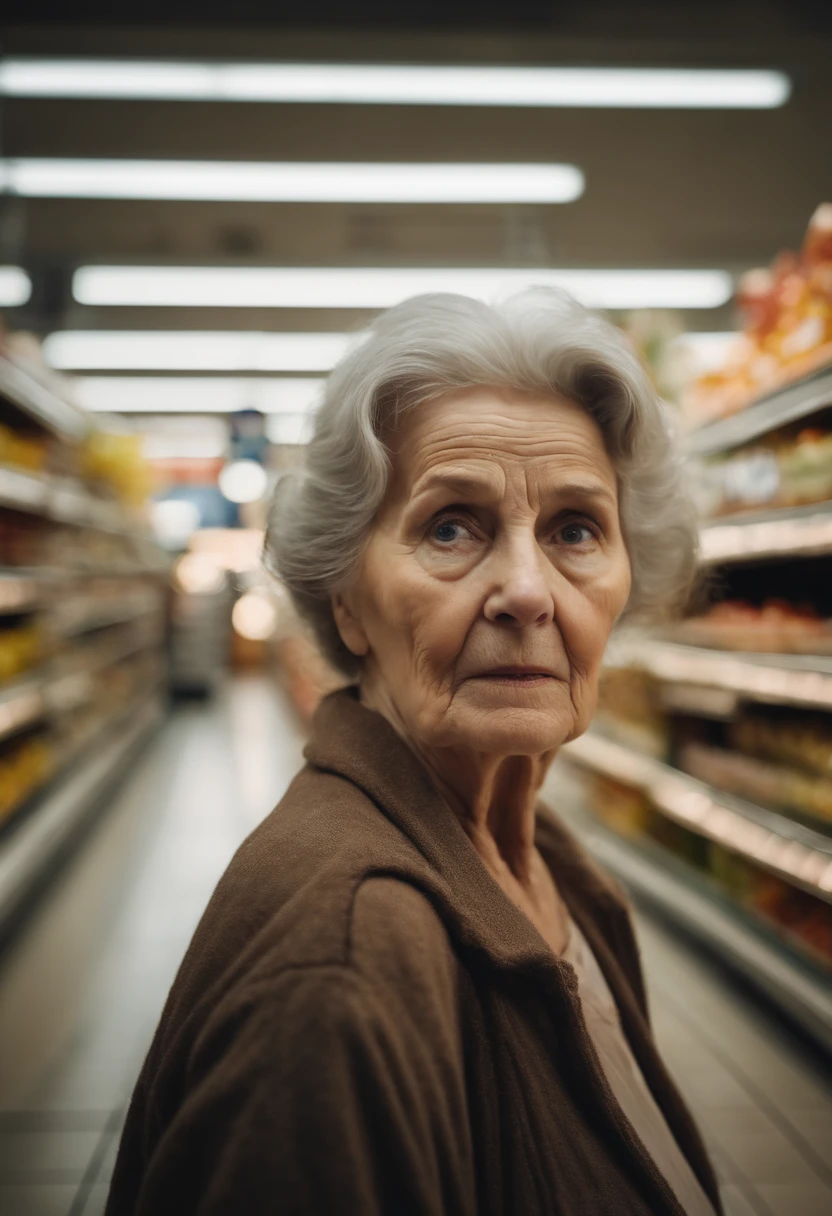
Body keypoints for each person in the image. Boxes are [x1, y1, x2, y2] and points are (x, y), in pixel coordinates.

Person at [106, 289, 721, 1216]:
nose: (527, 590)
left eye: (575, 530)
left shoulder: (542, 859)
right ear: (344, 598)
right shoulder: (336, 982)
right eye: (450, 527)